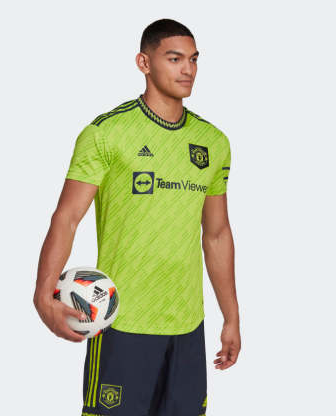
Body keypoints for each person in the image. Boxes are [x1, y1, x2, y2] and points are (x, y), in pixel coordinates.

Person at [33, 18, 241, 416]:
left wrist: (231, 316)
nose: (188, 69)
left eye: (194, 59)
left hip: (187, 326)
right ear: (144, 63)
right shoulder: (106, 133)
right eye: (175, 58)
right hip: (121, 323)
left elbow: (217, 234)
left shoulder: (213, 142)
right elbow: (67, 217)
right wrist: (43, 295)